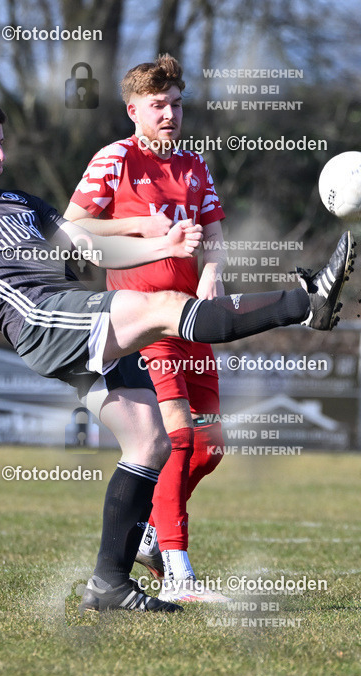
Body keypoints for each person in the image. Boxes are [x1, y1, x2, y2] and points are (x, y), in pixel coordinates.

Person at [0, 94, 354, 614]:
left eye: (2, 143)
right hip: (42, 318)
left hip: (72, 313)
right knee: (165, 308)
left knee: (150, 443)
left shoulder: (22, 202)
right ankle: (304, 304)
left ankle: (109, 585)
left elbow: (92, 248)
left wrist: (159, 247)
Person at [65, 54, 231, 603]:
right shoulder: (115, 159)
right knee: (177, 436)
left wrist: (212, 274)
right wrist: (140, 225)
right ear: (133, 109)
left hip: (192, 317)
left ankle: (148, 532)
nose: (170, 115)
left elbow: (214, 232)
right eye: (158, 105)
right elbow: (73, 224)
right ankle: (177, 569)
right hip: (141, 320)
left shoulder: (194, 163)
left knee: (208, 447)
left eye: (177, 104)